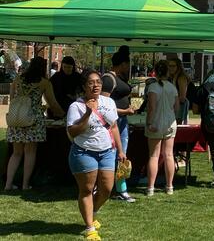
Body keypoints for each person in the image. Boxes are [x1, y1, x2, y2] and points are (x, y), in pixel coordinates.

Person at [67, 70, 126, 241]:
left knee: (106, 189)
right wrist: (87, 113)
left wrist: (121, 151)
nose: (96, 85)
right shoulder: (76, 106)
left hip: (107, 151)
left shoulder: (109, 102)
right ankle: (90, 228)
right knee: (86, 190)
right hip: (83, 152)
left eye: (98, 82)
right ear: (84, 86)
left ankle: (92, 213)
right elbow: (73, 131)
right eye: (91, 82)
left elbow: (113, 126)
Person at [4, 57, 64, 191]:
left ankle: (8, 184)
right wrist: (62, 113)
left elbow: (12, 97)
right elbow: (52, 103)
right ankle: (25, 185)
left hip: (17, 118)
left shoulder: (18, 79)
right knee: (30, 152)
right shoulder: (44, 83)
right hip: (33, 120)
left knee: (16, 153)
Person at [100, 47, 135, 203]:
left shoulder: (120, 78)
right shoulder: (108, 79)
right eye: (127, 64)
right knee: (111, 155)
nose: (128, 67)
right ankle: (108, 187)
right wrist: (124, 111)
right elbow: (104, 106)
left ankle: (121, 188)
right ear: (122, 64)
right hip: (113, 123)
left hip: (122, 122)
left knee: (122, 156)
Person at [145, 60, 179, 196]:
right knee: (169, 155)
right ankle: (169, 186)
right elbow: (177, 108)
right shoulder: (172, 87)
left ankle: (150, 188)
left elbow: (151, 108)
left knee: (154, 156)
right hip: (170, 123)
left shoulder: (153, 87)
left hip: (156, 123)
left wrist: (149, 123)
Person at [167, 58, 191, 124]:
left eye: (173, 66)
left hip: (181, 106)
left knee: (179, 127)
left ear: (178, 67)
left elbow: (182, 98)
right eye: (169, 66)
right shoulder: (173, 77)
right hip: (176, 105)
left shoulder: (181, 78)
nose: (170, 68)